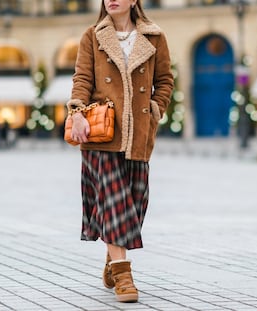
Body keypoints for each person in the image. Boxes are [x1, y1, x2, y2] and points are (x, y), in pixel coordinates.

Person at [66, 0, 173, 303]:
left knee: (134, 205)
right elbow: (82, 79)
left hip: (138, 135)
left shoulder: (154, 37)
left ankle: (112, 258)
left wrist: (155, 108)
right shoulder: (93, 36)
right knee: (114, 204)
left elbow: (165, 81)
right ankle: (124, 275)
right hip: (102, 135)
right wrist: (75, 112)